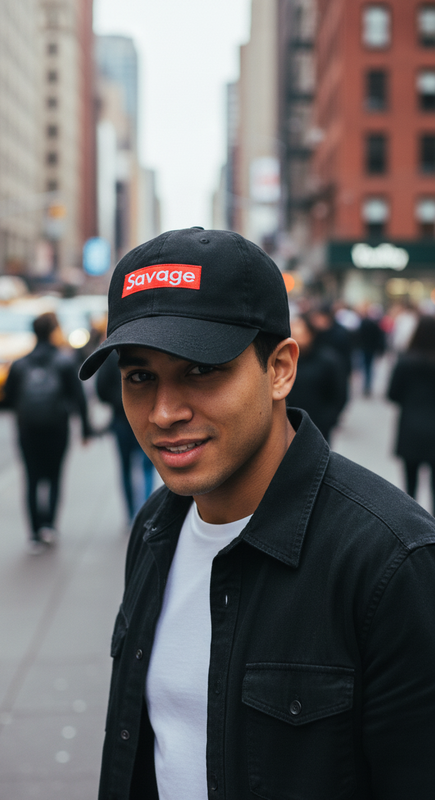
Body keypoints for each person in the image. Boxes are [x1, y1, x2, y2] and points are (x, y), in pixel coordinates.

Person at [79, 227, 435, 799]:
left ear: (280, 369)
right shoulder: (154, 529)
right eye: (140, 376)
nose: (164, 412)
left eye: (200, 369)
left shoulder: (393, 563)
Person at [5, 311, 92, 553]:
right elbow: (78, 398)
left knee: (31, 479)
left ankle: (33, 534)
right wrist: (85, 429)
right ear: (53, 331)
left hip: (28, 429)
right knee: (54, 477)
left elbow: (7, 397)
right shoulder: (64, 362)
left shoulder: (20, 363)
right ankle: (49, 527)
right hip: (57, 429)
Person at [96, 350, 155, 522]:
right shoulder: (146, 350)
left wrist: (116, 401)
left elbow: (101, 389)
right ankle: (146, 510)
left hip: (121, 420)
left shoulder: (112, 357)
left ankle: (132, 515)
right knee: (147, 466)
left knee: (126, 467)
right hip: (145, 417)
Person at [388, 314, 435, 513]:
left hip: (410, 426)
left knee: (410, 484)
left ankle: (414, 527)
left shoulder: (405, 362)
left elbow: (392, 394)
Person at [288, 314, 347, 441]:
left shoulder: (328, 360)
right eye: (293, 334)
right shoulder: (285, 361)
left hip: (318, 426)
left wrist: (330, 419)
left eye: (300, 334)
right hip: (289, 425)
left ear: (311, 334)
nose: (296, 338)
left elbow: (339, 393)